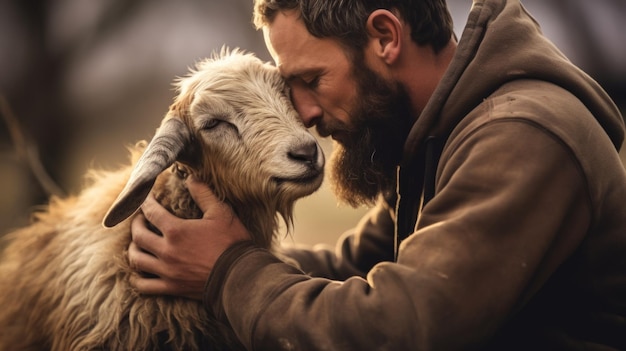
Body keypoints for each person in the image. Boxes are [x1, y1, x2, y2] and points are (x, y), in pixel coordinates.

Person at [128, 0, 626, 349]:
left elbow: (398, 327)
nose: (302, 114)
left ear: (385, 37)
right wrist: (197, 250)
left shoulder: (520, 137)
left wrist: (228, 271)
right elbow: (357, 264)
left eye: (310, 80)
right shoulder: (433, 137)